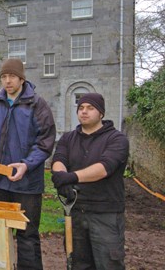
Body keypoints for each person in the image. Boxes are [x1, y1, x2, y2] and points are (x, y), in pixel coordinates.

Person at [0, 58, 56, 270]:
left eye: (12, 76)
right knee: (0, 232)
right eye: (4, 77)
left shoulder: (37, 105)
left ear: (21, 78)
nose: (7, 81)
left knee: (27, 234)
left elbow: (45, 142)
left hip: (27, 184)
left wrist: (26, 164)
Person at [51, 93, 129, 270]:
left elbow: (104, 168)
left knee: (109, 264)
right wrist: (62, 179)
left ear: (101, 113)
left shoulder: (117, 139)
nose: (84, 112)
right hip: (76, 212)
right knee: (78, 264)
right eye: (81, 108)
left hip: (105, 214)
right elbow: (59, 160)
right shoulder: (68, 138)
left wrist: (71, 177)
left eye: (90, 108)